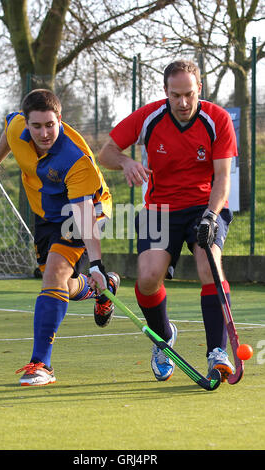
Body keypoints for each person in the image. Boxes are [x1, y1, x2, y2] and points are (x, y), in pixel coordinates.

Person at [98, 60, 237, 383]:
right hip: (159, 209)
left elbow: (222, 178)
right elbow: (105, 154)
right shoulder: (149, 117)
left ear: (199, 89)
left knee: (209, 266)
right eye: (176, 95)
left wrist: (211, 215)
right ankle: (163, 340)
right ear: (165, 92)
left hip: (205, 205)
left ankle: (217, 352)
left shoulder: (216, 119)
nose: (183, 102)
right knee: (147, 279)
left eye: (189, 94)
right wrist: (126, 162)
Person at [0, 89, 120, 386]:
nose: (44, 133)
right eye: (36, 126)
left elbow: (84, 213)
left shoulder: (76, 159)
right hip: (46, 214)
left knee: (52, 276)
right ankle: (100, 291)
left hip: (85, 212)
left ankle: (41, 364)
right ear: (26, 123)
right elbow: (8, 133)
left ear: (60, 120)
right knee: (62, 283)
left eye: (50, 125)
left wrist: (96, 264)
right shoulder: (18, 128)